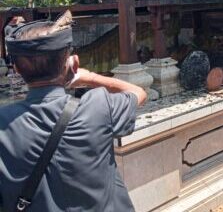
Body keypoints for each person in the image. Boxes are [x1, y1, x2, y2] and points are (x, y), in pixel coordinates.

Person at [0, 13, 147, 211]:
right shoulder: (98, 106)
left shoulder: (4, 123)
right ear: (74, 63)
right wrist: (91, 77)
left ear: (17, 69)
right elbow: (138, 93)